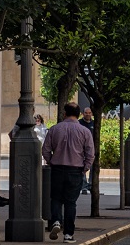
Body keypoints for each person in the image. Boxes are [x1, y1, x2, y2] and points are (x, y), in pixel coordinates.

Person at [42, 103, 94, 242]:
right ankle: (68, 235)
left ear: (64, 113)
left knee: (56, 198)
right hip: (75, 170)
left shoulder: (54, 129)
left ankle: (56, 221)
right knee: (71, 203)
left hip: (57, 168)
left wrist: (51, 161)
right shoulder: (85, 131)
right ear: (79, 114)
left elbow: (45, 149)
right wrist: (85, 168)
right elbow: (90, 153)